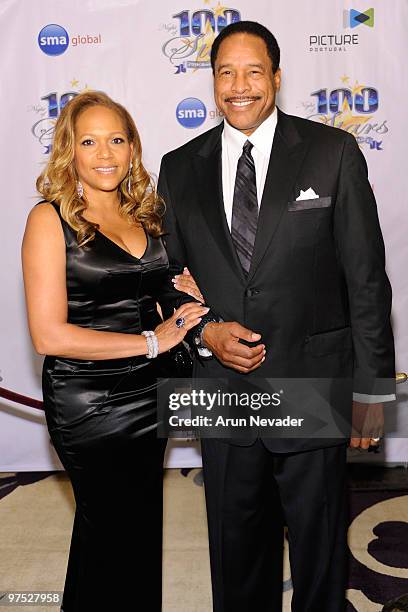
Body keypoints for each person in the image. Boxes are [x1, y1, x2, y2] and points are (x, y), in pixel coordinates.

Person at [159, 21, 396, 612]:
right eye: (225, 73)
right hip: (222, 383)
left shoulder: (331, 152)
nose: (240, 86)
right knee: (235, 547)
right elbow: (162, 282)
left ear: (277, 78)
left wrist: (372, 393)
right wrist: (206, 333)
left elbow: (366, 281)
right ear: (213, 81)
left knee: (319, 550)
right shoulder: (178, 166)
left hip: (312, 378)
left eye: (253, 71)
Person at [21, 91, 208, 611]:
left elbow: (151, 291)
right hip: (88, 402)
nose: (105, 154)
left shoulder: (144, 214)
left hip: (150, 397)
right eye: (89, 141)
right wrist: (152, 340)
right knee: (109, 533)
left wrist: (184, 295)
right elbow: (49, 335)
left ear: (132, 149)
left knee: (140, 530)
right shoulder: (49, 220)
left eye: (116, 140)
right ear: (70, 151)